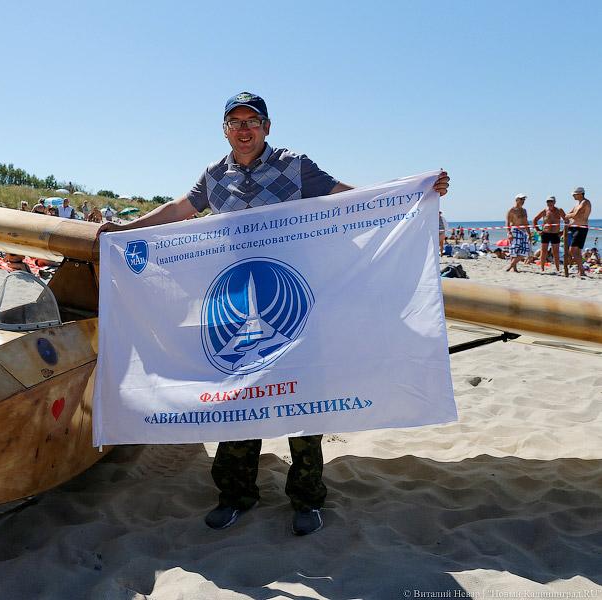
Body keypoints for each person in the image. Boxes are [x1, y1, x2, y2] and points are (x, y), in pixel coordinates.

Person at [97, 91, 450, 536]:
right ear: (224, 129)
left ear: (267, 126)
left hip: (297, 302)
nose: (244, 129)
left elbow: (349, 198)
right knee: (239, 401)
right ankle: (236, 495)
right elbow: (178, 210)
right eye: (235, 122)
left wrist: (412, 197)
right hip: (236, 303)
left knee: (303, 403)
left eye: (252, 121)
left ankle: (306, 499)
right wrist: (126, 230)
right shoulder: (214, 175)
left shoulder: (294, 164)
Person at [532, 196, 566, 273]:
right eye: (548, 201)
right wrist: (538, 230)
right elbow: (535, 219)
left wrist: (563, 232)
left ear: (554, 202)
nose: (549, 203)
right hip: (545, 233)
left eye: (551, 201)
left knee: (555, 252)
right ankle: (542, 268)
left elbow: (566, 221)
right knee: (543, 252)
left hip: (555, 234)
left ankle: (557, 269)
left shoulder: (559, 210)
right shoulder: (544, 211)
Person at [564, 187, 592, 278]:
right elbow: (569, 214)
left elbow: (575, 215)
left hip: (581, 228)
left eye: (574, 194)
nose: (573, 196)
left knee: (572, 250)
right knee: (577, 251)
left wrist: (569, 216)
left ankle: (582, 269)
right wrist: (569, 216)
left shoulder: (585, 202)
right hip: (574, 228)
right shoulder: (577, 204)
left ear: (580, 194)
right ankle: (581, 270)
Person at [505, 193, 530, 272]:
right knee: (514, 251)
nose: (523, 201)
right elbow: (507, 223)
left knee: (524, 251)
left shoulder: (524, 210)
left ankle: (510, 266)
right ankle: (514, 268)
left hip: (523, 231)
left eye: (524, 199)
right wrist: (509, 233)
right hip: (515, 230)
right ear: (516, 200)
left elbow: (526, 222)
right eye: (521, 199)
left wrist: (529, 233)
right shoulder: (511, 210)